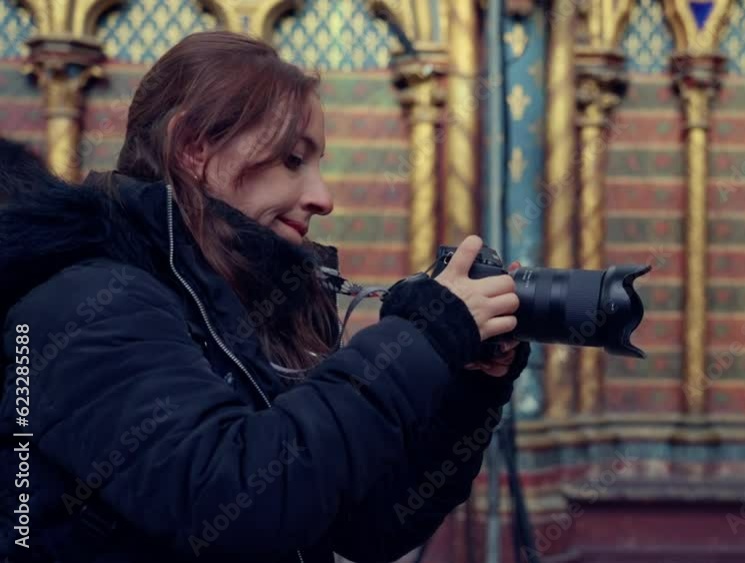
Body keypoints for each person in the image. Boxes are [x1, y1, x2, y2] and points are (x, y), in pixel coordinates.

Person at [0, 30, 528, 563]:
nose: (323, 198)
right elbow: (239, 502)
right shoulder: (86, 304)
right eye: (293, 161)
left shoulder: (251, 311)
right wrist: (424, 336)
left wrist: (465, 389)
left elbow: (365, 528)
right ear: (194, 147)